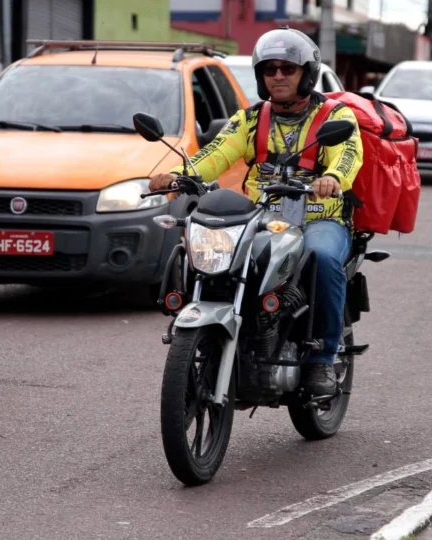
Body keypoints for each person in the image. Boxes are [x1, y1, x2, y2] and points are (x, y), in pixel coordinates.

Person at [149, 27, 364, 396]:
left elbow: (348, 155)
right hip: (262, 217)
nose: (278, 76)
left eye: (287, 68)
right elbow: (215, 153)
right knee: (218, 251)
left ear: (307, 73)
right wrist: (178, 174)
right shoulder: (250, 119)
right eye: (269, 69)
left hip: (320, 218)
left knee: (323, 258)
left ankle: (323, 359)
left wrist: (332, 178)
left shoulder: (334, 116)